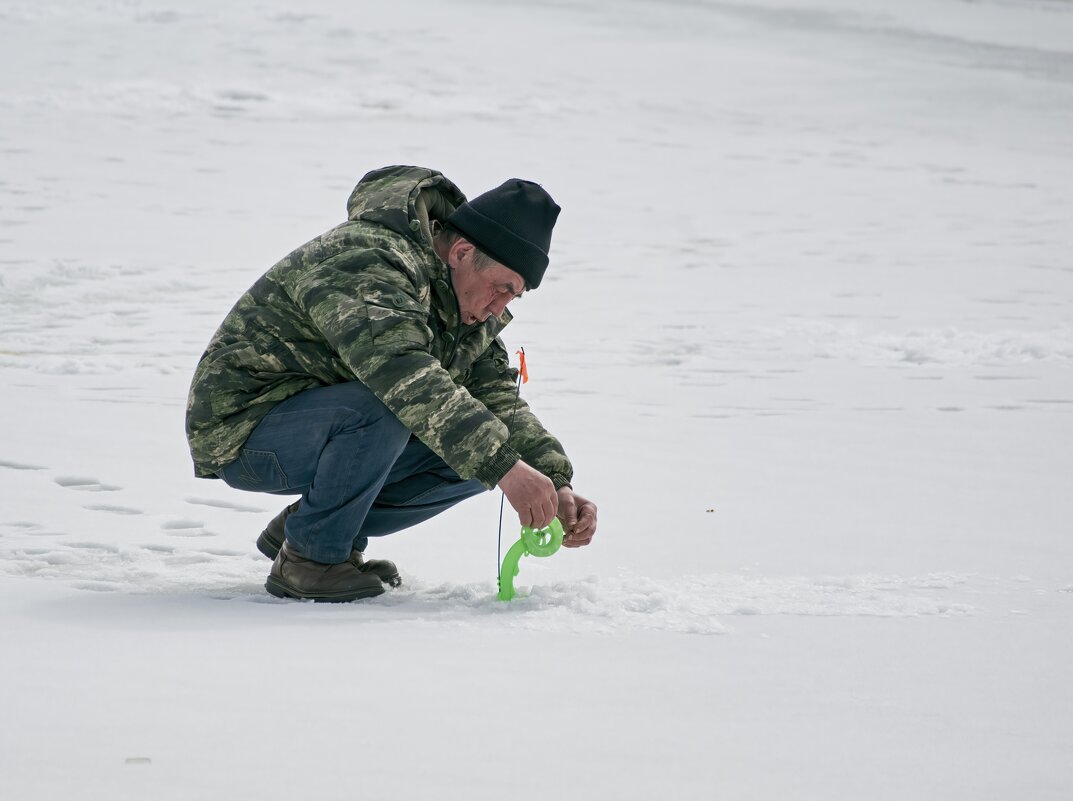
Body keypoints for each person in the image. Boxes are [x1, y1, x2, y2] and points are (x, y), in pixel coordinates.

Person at [185, 165, 598, 601]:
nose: (498, 309)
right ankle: (311, 560)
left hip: (320, 426)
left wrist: (553, 481)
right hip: (244, 430)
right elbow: (401, 374)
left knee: (481, 451)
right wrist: (507, 469)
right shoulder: (369, 260)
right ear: (460, 253)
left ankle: (314, 528)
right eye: (500, 288)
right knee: (398, 407)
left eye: (512, 297)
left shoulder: (461, 305)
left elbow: (496, 399)